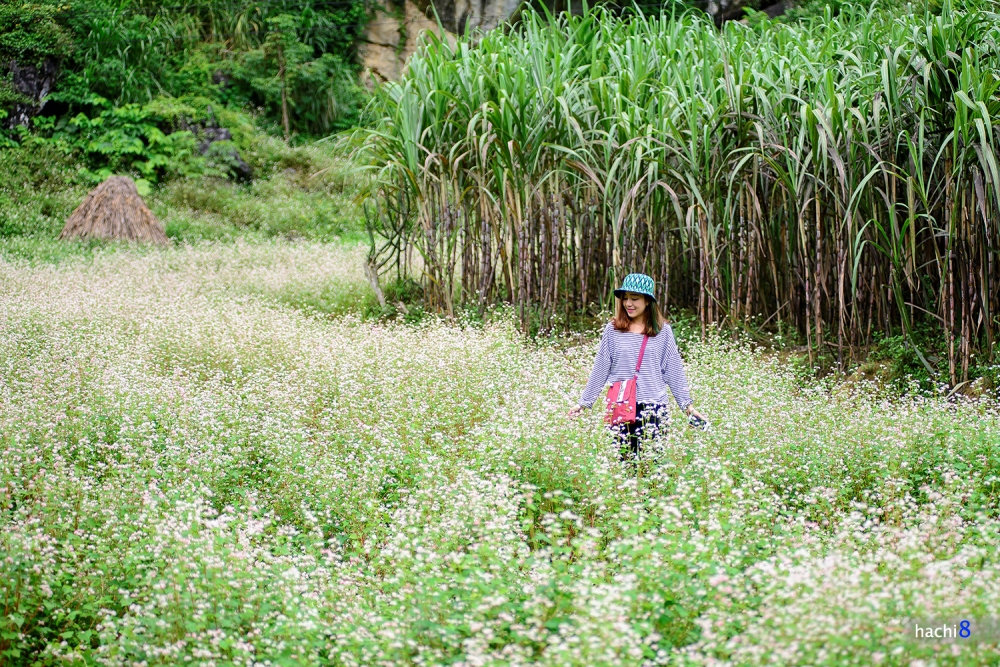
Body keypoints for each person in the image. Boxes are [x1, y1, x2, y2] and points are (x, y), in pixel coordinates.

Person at [568, 273, 706, 460]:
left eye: (635, 298)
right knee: (624, 464)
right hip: (621, 405)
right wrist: (584, 403)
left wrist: (687, 406)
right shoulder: (613, 330)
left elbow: (673, 370)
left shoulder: (662, 332)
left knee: (652, 465)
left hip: (654, 407)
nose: (628, 303)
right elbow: (601, 367)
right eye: (625, 298)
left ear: (648, 301)